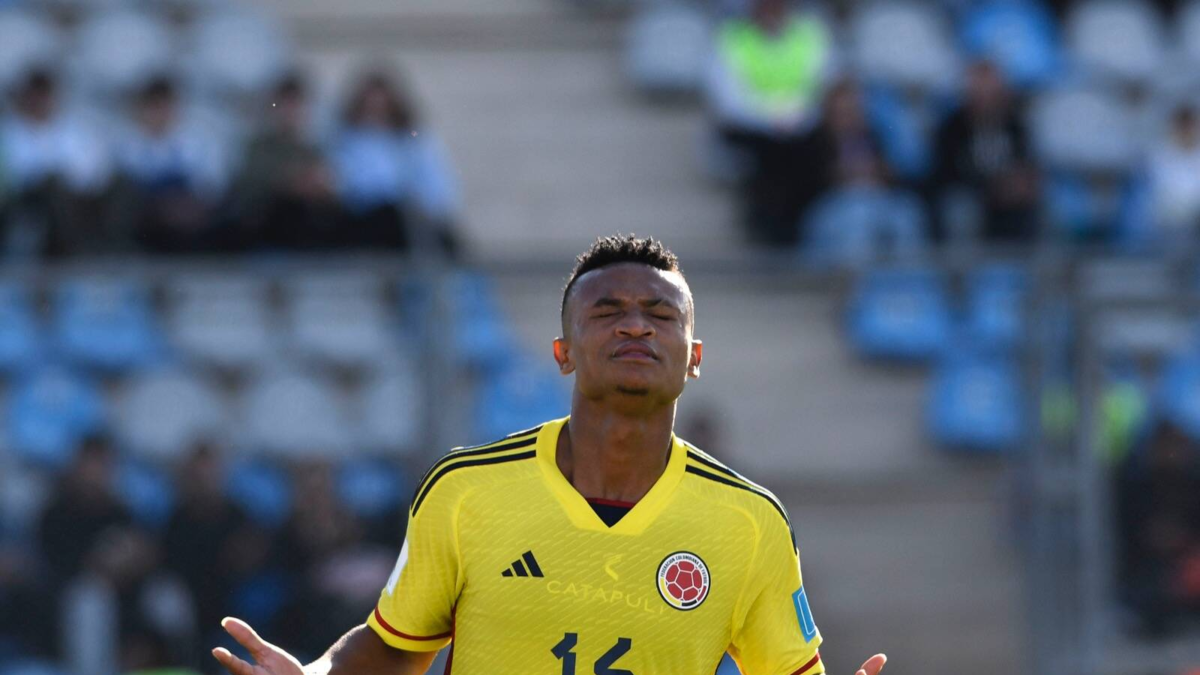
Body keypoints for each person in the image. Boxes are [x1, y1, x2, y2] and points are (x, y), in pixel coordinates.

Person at [212, 235, 887, 675]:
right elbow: (393, 648)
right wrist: (316, 673)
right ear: (562, 353)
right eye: (607, 311)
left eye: (660, 314)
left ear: (694, 357)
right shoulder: (466, 491)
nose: (635, 324)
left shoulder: (749, 522)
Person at [708, 0, 833, 246]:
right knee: (770, 157)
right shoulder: (731, 38)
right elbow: (728, 100)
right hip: (752, 128)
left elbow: (826, 86)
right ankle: (770, 229)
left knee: (814, 149)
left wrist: (796, 117)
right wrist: (772, 119)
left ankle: (801, 227)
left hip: (802, 126)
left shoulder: (811, 33)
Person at [329, 69, 460, 254]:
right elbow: (346, 184)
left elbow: (437, 185)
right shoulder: (345, 140)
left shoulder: (413, 140)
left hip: (412, 217)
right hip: (369, 219)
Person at [930, 61, 1038, 243]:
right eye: (979, 93)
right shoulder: (952, 128)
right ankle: (963, 260)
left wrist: (1022, 184)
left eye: (991, 94)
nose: (986, 99)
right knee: (959, 207)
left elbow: (1025, 164)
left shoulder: (1015, 126)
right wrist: (991, 187)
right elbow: (945, 174)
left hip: (1009, 199)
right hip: (970, 194)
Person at [230, 73, 340, 251]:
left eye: (295, 105)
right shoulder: (257, 147)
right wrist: (291, 182)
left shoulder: (313, 151)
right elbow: (252, 188)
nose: (290, 112)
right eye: (284, 105)